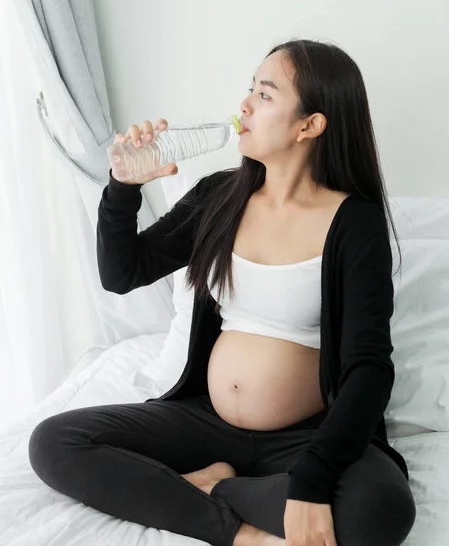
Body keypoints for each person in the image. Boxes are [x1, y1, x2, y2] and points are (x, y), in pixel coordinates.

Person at [28, 39, 417, 546]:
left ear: (310, 125)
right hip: (204, 424)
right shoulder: (219, 195)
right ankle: (233, 527)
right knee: (55, 442)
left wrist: (313, 479)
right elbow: (122, 273)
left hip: (304, 439)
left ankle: (221, 488)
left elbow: (369, 366)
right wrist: (124, 186)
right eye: (249, 90)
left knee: (380, 509)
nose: (245, 106)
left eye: (265, 94)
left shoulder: (353, 222)